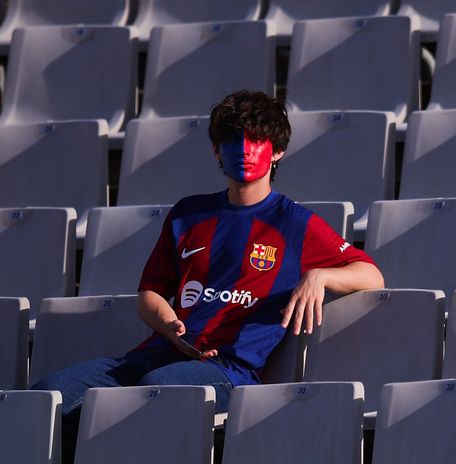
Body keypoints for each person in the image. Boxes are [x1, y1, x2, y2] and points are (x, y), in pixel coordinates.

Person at [32, 90, 384, 460]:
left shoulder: (294, 223)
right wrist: (167, 322)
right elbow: (150, 293)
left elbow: (371, 275)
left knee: (158, 392)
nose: (244, 150)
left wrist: (319, 276)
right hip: (156, 354)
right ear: (217, 151)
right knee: (50, 395)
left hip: (226, 369)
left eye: (256, 141)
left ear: (276, 151)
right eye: (232, 141)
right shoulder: (188, 213)